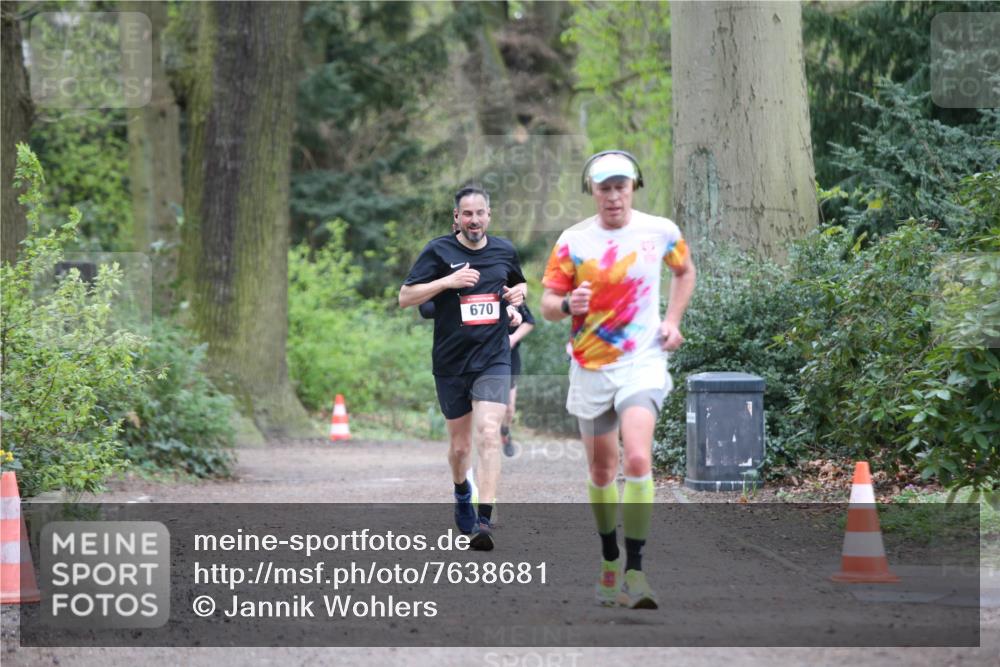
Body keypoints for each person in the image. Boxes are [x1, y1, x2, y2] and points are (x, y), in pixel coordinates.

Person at [540, 151, 696, 608]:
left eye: (620, 186)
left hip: (641, 360)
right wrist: (570, 305)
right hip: (590, 366)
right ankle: (610, 559)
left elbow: (684, 271)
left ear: (633, 187)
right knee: (602, 470)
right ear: (592, 191)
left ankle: (636, 572)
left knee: (638, 458)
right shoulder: (573, 241)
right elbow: (547, 303)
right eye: (604, 187)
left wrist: (673, 319)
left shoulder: (660, 231)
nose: (613, 196)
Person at [399, 185, 527, 551]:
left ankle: (483, 520)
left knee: (489, 433)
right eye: (467, 214)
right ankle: (461, 491)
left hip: (493, 357)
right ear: (456, 217)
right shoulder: (439, 251)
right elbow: (405, 297)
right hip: (452, 362)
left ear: (489, 215)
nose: (474, 220)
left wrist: (517, 301)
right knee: (459, 448)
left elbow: (518, 285)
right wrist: (448, 281)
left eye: (480, 213)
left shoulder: (504, 249)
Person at [502, 303, 534, 457]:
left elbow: (529, 321)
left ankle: (505, 432)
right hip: (482, 355)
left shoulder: (512, 292)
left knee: (509, 408)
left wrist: (513, 338)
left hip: (509, 356)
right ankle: (487, 438)